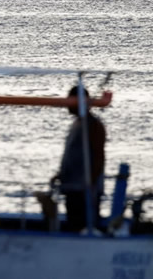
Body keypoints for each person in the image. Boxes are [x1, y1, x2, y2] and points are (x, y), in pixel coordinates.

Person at [52, 86, 106, 232]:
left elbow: (98, 156)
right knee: (73, 223)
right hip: (72, 186)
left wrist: (91, 184)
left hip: (84, 189)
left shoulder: (94, 125)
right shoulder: (77, 124)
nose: (67, 104)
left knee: (84, 225)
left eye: (71, 101)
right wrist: (60, 175)